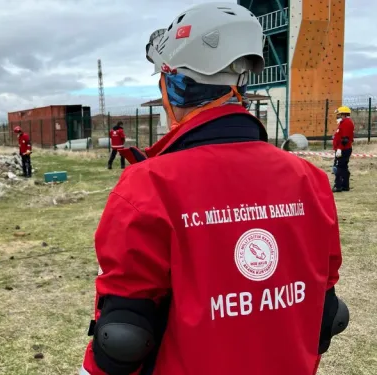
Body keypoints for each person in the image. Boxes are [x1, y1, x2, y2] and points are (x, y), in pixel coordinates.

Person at [78, 3, 349, 375]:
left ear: (173, 84)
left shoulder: (149, 185)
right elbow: (325, 310)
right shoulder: (310, 179)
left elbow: (124, 335)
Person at [332, 106, 354, 192]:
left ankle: (338, 186)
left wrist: (339, 149)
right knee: (344, 167)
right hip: (343, 148)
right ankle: (345, 185)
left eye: (339, 115)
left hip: (343, 149)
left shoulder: (346, 123)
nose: (338, 117)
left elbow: (345, 139)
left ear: (344, 114)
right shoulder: (344, 122)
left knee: (339, 167)